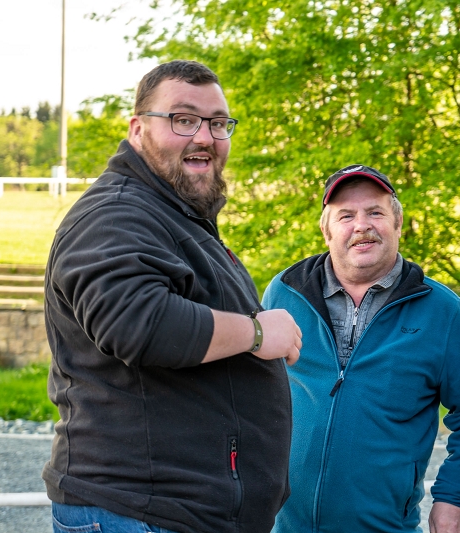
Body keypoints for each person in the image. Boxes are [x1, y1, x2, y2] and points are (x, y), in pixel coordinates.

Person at [43, 60, 302, 533]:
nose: (204, 136)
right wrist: (258, 332)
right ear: (137, 129)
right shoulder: (116, 214)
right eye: (183, 120)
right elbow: (137, 323)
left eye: (218, 123)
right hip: (138, 513)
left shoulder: (171, 215)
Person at [262, 164, 460, 532]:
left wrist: (453, 498)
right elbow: (250, 395)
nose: (362, 226)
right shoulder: (284, 293)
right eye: (346, 216)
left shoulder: (442, 311)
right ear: (326, 230)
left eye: (375, 212)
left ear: (397, 223)